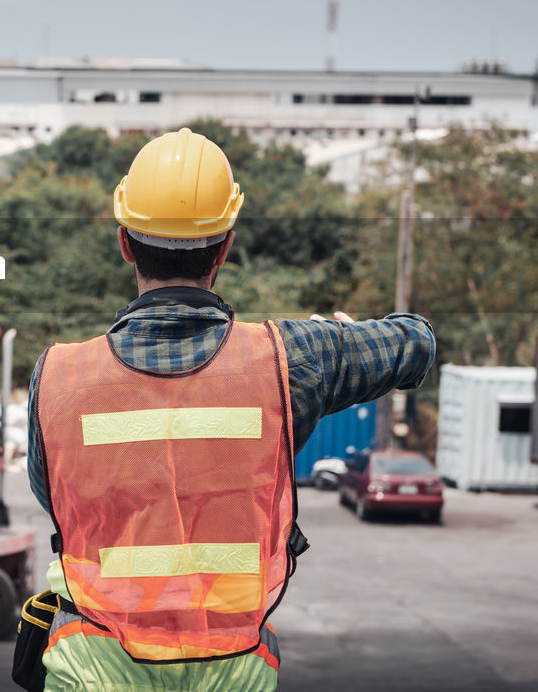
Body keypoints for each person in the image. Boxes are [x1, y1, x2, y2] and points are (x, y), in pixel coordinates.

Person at [25, 127, 435, 691]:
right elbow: (415, 342)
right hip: (231, 669)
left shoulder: (59, 377)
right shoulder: (289, 360)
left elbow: (57, 500)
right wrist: (336, 334)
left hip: (94, 666)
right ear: (225, 246)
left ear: (125, 242)